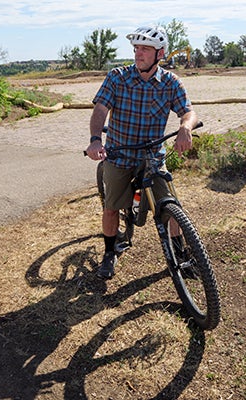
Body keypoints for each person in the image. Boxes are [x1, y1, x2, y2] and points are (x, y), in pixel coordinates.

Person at [86, 26, 198, 279]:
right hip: (120, 153)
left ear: (160, 54)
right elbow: (101, 110)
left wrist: (185, 127)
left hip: (153, 156)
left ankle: (180, 254)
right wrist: (95, 140)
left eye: (145, 49)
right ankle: (109, 252)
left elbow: (188, 112)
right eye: (136, 48)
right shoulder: (118, 77)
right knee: (112, 207)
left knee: (172, 206)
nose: (138, 53)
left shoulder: (170, 82)